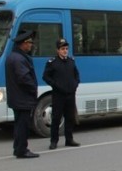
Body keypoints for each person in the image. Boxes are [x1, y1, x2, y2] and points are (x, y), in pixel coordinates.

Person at [5, 30, 40, 159]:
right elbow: (24, 78)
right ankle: (22, 149)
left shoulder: (13, 56)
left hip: (17, 98)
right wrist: (33, 89)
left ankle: (17, 147)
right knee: (23, 125)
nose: (31, 45)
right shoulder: (19, 59)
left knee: (19, 124)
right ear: (23, 44)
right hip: (23, 98)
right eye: (30, 42)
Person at [43, 38, 81, 150]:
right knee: (56, 118)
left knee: (70, 117)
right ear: (57, 50)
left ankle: (69, 139)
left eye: (66, 49)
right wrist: (55, 85)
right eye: (62, 49)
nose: (65, 51)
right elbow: (46, 76)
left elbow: (76, 75)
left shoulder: (71, 61)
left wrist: (75, 84)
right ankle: (54, 141)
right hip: (58, 95)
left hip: (70, 94)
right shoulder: (52, 63)